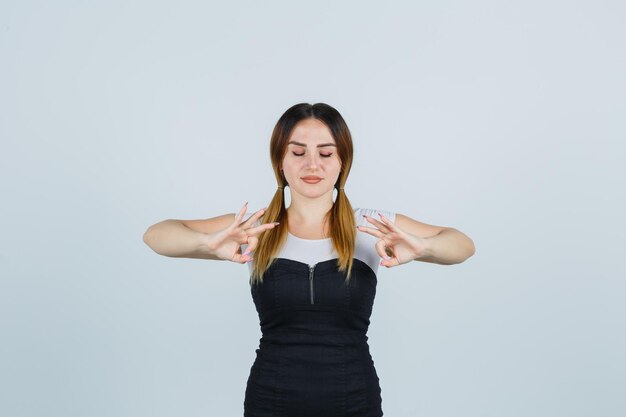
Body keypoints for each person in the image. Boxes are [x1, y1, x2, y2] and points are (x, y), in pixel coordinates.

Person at [143, 102, 476, 416]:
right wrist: (207, 243)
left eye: (326, 153)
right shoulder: (254, 229)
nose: (312, 165)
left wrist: (423, 248)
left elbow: (461, 244)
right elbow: (157, 236)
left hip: (355, 401)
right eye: (298, 152)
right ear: (280, 161)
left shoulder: (370, 225)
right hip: (270, 401)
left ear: (343, 160)